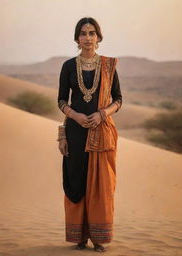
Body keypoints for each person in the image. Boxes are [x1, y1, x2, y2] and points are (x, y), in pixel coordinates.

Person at [57, 17, 122, 253]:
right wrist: (74, 116)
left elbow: (118, 99)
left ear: (99, 37)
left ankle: (98, 238)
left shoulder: (108, 66)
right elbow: (62, 100)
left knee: (99, 186)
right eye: (83, 33)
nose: (87, 38)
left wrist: (103, 114)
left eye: (92, 33)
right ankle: (80, 237)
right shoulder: (68, 66)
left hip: (101, 133)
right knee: (78, 183)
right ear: (77, 38)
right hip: (75, 133)